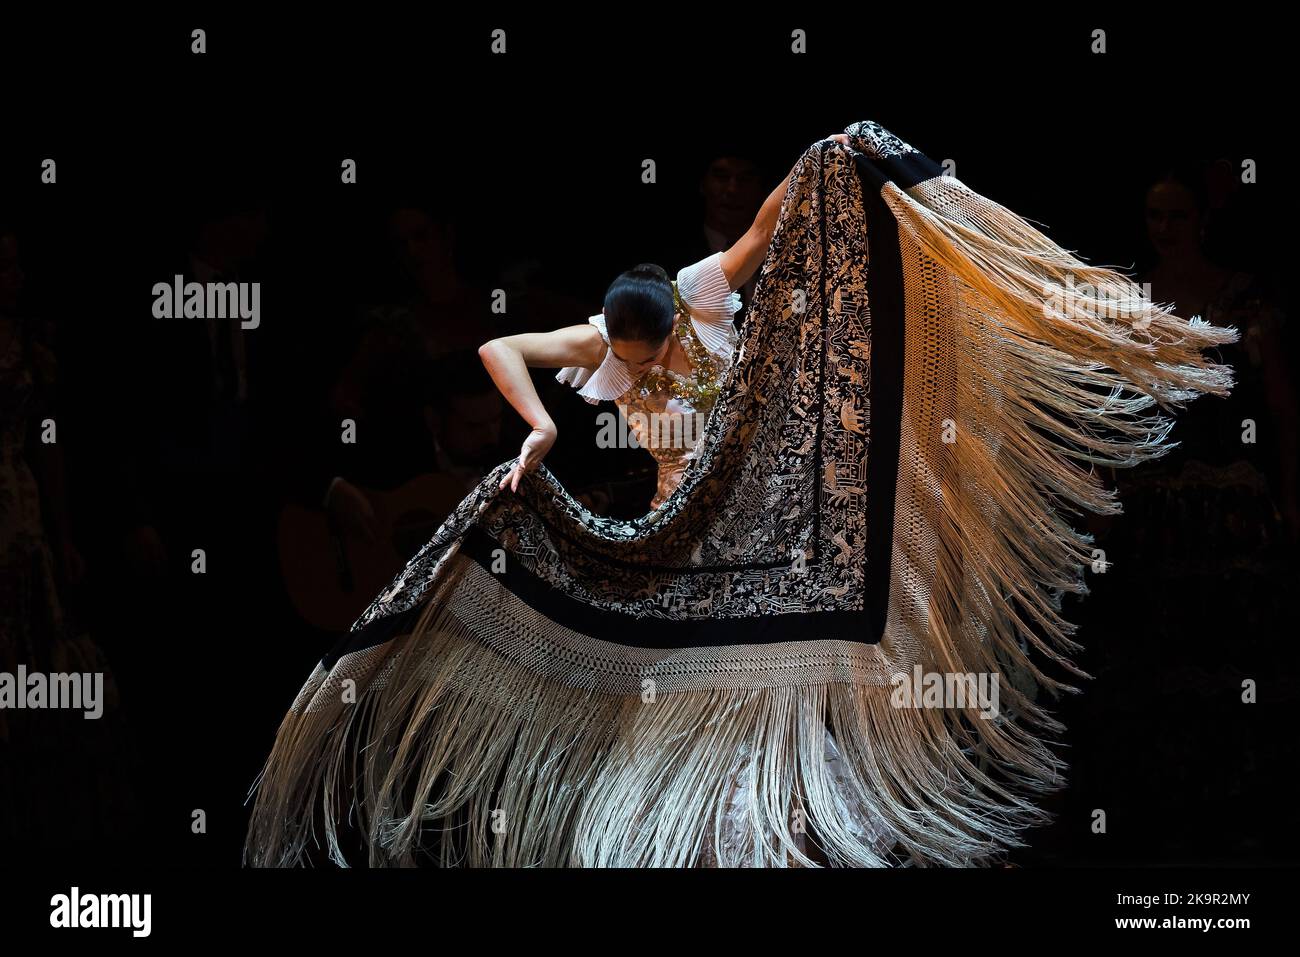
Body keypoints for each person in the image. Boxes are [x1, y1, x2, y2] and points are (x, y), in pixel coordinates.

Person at [479, 133, 852, 516]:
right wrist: (543, 426)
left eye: (650, 356)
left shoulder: (696, 299)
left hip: (766, 488)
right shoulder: (598, 343)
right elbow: (498, 349)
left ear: (674, 323)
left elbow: (759, 230)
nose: (642, 368)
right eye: (629, 360)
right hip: (684, 514)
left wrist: (811, 160)